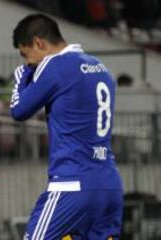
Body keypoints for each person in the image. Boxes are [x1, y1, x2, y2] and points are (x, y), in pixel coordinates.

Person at [10, 14, 123, 239]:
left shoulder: (54, 65)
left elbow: (19, 110)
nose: (28, 62)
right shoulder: (99, 66)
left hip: (72, 185)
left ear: (39, 42)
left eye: (26, 54)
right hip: (110, 184)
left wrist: (21, 77)